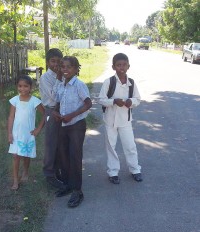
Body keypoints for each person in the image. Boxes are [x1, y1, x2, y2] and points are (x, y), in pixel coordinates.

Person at [53, 56, 92, 208]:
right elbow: (58, 101)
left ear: (76, 69)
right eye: (62, 67)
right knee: (63, 154)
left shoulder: (79, 85)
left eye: (69, 67)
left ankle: (77, 190)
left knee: (75, 156)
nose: (65, 70)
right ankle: (67, 184)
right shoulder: (61, 84)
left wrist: (72, 115)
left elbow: (88, 103)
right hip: (63, 124)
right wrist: (57, 113)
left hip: (76, 125)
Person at [98, 53, 142, 184]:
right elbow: (101, 99)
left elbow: (138, 99)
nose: (121, 67)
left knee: (130, 145)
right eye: (118, 65)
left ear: (129, 66)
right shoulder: (109, 82)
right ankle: (113, 172)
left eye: (124, 65)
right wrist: (113, 101)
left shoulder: (131, 83)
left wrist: (131, 101)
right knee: (111, 146)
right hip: (110, 120)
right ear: (113, 67)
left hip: (125, 120)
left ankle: (135, 169)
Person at [8, 75, 45, 190]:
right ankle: (15, 180)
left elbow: (45, 114)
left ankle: (25, 172)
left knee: (26, 155)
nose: (22, 89)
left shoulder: (35, 101)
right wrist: (9, 133)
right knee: (15, 156)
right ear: (17, 87)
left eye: (25, 86)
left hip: (28, 134)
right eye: (20, 86)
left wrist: (38, 129)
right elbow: (11, 117)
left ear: (31, 87)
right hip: (16, 134)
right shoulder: (14, 100)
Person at [39, 48, 64, 189]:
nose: (56, 64)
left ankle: (58, 170)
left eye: (58, 61)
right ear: (48, 62)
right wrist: (59, 78)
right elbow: (54, 97)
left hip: (63, 110)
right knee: (51, 142)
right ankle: (49, 173)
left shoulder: (64, 74)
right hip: (51, 111)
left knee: (61, 142)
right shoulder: (45, 78)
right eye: (53, 61)